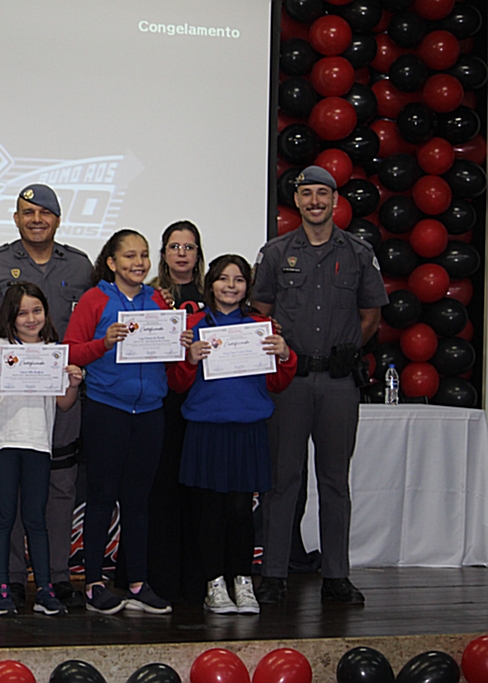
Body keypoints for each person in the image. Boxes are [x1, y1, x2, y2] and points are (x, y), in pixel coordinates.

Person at [252, 166, 388, 605]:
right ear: (296, 200)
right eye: (307, 193)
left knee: (334, 482)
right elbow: (260, 311)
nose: (314, 201)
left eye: (322, 194)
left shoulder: (358, 253)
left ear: (334, 201)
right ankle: (274, 573)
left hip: (338, 383)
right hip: (289, 381)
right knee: (282, 480)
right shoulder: (275, 253)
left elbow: (371, 315)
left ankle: (336, 576)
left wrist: (348, 348)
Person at [0, 184, 92, 609]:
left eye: (45, 212)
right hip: (9, 408)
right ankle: (13, 579)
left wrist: (75, 375)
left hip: (59, 398)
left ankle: (56, 578)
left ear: (58, 219)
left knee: (60, 490)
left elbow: (93, 323)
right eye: (27, 212)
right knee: (10, 503)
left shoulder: (80, 264)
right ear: (16, 218)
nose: (37, 219)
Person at [168, 254, 297, 614]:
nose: (230, 286)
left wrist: (285, 355)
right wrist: (189, 359)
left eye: (238, 280)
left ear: (247, 287)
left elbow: (278, 382)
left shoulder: (260, 326)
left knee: (241, 511)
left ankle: (242, 580)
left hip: (247, 429)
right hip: (206, 429)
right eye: (223, 279)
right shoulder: (192, 326)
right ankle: (214, 584)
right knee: (209, 511)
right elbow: (176, 383)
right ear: (210, 285)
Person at [63, 229, 172, 615]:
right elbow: (71, 351)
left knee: (138, 501)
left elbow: (167, 354)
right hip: (107, 409)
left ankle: (138, 583)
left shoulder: (157, 300)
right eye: (129, 256)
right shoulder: (94, 300)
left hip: (150, 411)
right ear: (111, 262)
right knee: (102, 497)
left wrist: (180, 343)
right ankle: (94, 583)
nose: (138, 263)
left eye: (144, 255)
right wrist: (104, 343)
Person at [0, 283, 83, 617]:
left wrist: (73, 384)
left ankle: (45, 590)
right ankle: (1, 588)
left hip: (38, 442)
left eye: (37, 310)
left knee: (36, 518)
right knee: (4, 515)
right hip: (3, 441)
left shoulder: (53, 351)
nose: (31, 318)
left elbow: (63, 403)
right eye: (22, 313)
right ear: (9, 316)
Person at [142, 220, 206, 602]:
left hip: (205, 403)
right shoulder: (150, 295)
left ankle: (196, 579)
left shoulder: (214, 293)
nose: (182, 253)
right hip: (163, 402)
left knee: (197, 491)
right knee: (162, 488)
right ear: (164, 253)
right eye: (174, 247)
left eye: (189, 247)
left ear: (198, 254)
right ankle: (160, 577)